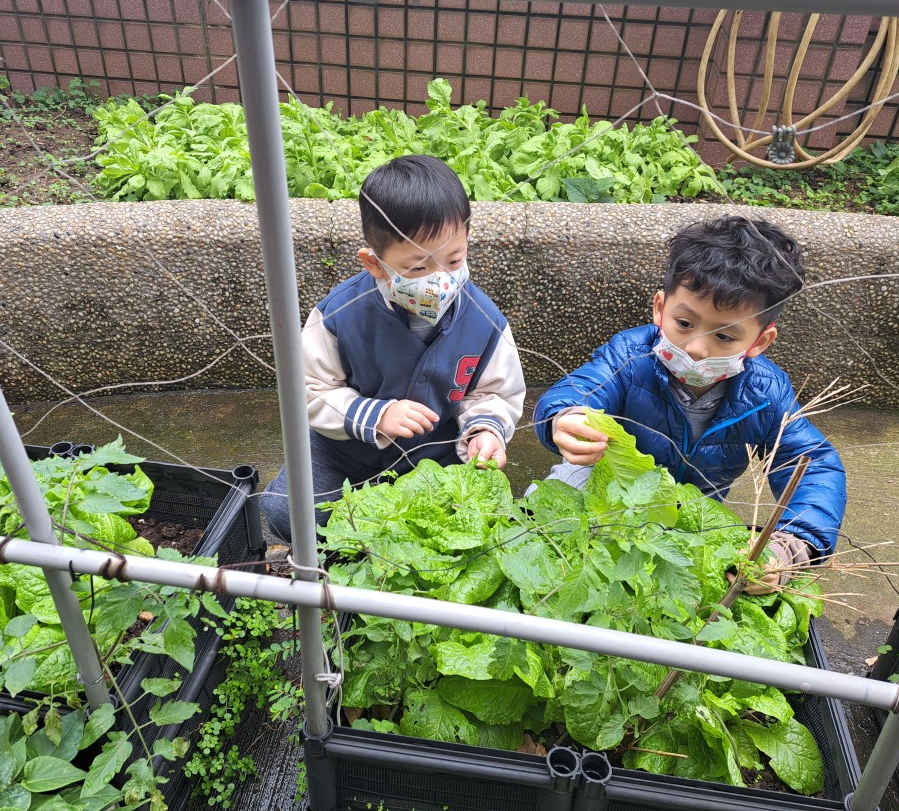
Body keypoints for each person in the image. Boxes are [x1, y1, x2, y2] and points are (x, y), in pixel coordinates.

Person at [533, 215, 845, 588]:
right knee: (541, 529)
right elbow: (583, 387)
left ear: (759, 342)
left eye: (724, 337)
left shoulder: (766, 393)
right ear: (660, 308)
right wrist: (563, 418)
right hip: (602, 485)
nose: (696, 348)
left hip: (693, 512)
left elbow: (813, 465)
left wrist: (790, 547)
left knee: (720, 582)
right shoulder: (630, 357)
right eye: (684, 324)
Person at [261, 155, 526, 543]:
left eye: (454, 259)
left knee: (472, 518)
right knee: (287, 511)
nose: (440, 281)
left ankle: (388, 552)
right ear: (374, 263)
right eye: (418, 268)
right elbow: (308, 391)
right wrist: (376, 415)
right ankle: (347, 555)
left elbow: (495, 392)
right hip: (346, 452)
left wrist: (484, 430)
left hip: (434, 454)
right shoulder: (338, 315)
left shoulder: (486, 321)